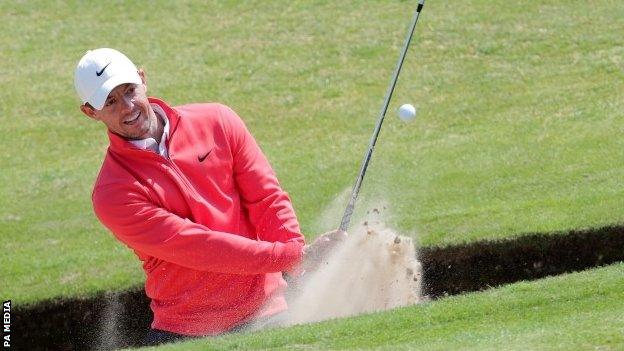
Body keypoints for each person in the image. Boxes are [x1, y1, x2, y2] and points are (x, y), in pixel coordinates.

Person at [74, 48, 345, 345]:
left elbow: (266, 198)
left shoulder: (217, 121)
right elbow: (198, 245)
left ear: (142, 78)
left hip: (268, 313)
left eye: (129, 90)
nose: (127, 107)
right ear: (90, 111)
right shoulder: (113, 193)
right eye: (110, 101)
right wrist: (292, 257)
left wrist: (299, 259)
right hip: (186, 333)